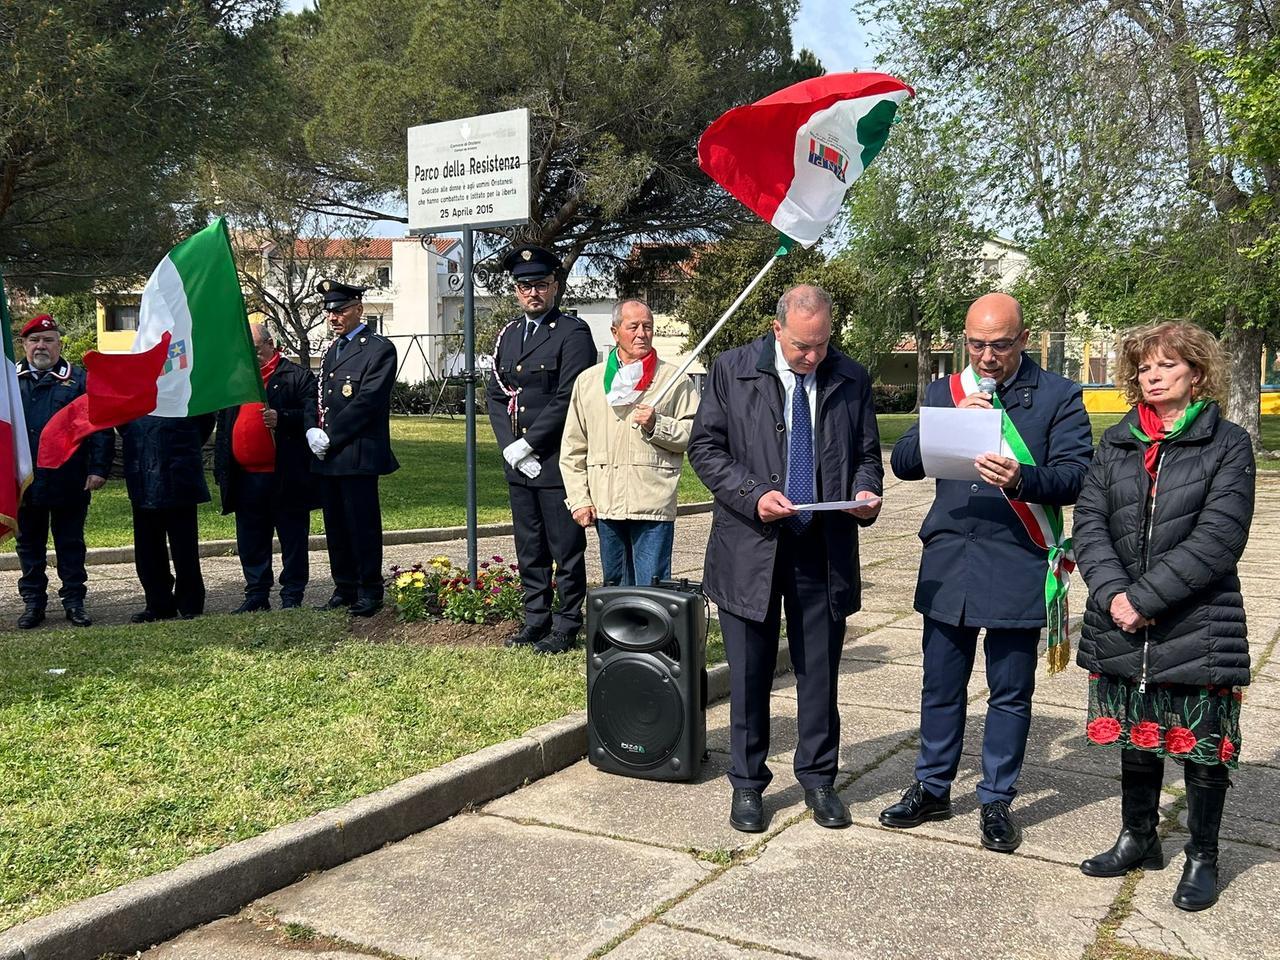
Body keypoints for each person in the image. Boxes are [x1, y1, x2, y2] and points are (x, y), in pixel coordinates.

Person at [880, 291, 1092, 853]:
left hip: (1017, 558)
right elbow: (902, 465)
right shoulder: (945, 392)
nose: (987, 356)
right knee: (940, 686)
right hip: (950, 561)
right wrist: (946, 423)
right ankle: (932, 787)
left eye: (999, 345)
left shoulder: (1058, 396)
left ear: (1024, 339)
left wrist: (1022, 478)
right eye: (976, 344)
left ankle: (997, 799)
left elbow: (1076, 476)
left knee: (1009, 692)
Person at [688, 284, 883, 834]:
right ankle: (748, 785)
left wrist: (866, 493)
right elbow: (706, 448)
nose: (812, 357)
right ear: (778, 330)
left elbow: (868, 454)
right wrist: (752, 494)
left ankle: (819, 779)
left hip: (822, 546)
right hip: (750, 544)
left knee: (818, 671)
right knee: (748, 673)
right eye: (801, 346)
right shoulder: (731, 369)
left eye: (821, 344)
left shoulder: (852, 377)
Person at [1073, 321, 1253, 912]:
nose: (1152, 376)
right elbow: (1090, 522)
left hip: (1195, 623)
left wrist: (1145, 599)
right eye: (1145, 367)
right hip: (1121, 618)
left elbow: (1219, 539)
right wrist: (1112, 593)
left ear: (1196, 373)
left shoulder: (1227, 443)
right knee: (1138, 740)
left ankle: (1202, 855)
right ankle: (1138, 836)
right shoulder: (1118, 440)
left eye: (1166, 366)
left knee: (1202, 751)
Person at [486, 245, 596, 655]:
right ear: (515, 290)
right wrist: (510, 448)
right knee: (529, 546)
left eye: (541, 285)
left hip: (555, 461)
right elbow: (496, 395)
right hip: (520, 462)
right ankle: (536, 618)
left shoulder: (572, 333)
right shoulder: (509, 335)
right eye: (524, 286)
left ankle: (567, 623)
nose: (532, 293)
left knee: (565, 548)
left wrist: (531, 444)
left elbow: (570, 395)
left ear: (555, 286)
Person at [559, 299, 699, 587]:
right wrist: (579, 500)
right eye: (633, 326)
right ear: (614, 333)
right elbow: (573, 448)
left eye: (647, 327)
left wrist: (657, 425)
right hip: (606, 506)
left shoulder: (674, 380)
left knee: (653, 593)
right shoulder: (589, 382)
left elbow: (695, 433)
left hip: (653, 504)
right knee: (615, 595)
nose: (641, 334)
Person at [13, 314, 113, 628]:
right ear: (24, 344)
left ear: (59, 343)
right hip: (24, 481)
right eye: (34, 340)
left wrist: (98, 468)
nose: (41, 346)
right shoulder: (8, 382)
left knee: (70, 543)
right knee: (29, 545)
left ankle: (74, 601)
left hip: (69, 478)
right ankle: (33, 604)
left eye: (48, 340)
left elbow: (101, 426)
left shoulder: (81, 380)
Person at [307, 279, 399, 618]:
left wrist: (331, 434)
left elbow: (368, 401)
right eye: (329, 311)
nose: (333, 316)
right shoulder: (333, 350)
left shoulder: (378, 348)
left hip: (358, 450)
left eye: (340, 309)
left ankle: (369, 589)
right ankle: (343, 586)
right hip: (331, 454)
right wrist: (312, 431)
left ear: (359, 308)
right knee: (336, 524)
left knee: (361, 525)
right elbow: (323, 399)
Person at [214, 323, 321, 612]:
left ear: (270, 344)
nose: (252, 356)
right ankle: (256, 594)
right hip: (246, 477)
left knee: (292, 538)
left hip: (285, 474)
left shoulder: (296, 376)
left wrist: (282, 418)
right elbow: (224, 426)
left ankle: (292, 595)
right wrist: (220, 467)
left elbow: (312, 418)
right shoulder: (237, 378)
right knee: (251, 539)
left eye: (257, 350)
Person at [119, 413, 216, 622]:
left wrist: (184, 439)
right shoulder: (135, 383)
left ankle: (190, 603)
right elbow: (123, 419)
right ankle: (158, 603)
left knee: (185, 546)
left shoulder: (186, 381)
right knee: (148, 547)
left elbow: (205, 419)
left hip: (180, 466)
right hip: (142, 467)